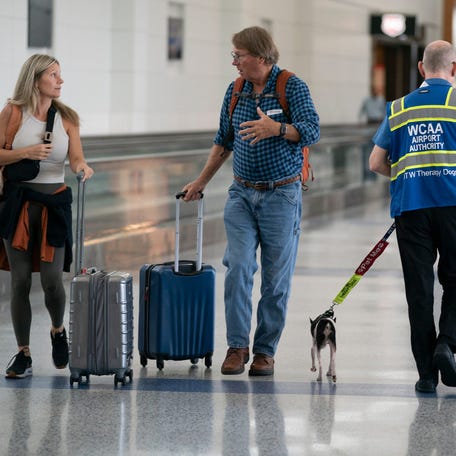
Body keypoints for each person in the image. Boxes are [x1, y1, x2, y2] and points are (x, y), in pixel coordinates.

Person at [182, 26, 320, 376]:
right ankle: (237, 347)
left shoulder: (291, 86)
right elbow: (223, 141)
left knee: (276, 281)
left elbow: (313, 129)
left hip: (281, 195)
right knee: (239, 268)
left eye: (239, 55)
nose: (235, 62)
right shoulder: (236, 91)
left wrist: (277, 129)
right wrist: (200, 181)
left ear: (260, 56)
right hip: (242, 193)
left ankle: (264, 351)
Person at [369, 40, 456, 394]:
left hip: (411, 211)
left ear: (421, 68)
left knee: (419, 291)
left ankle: (425, 375)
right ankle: (446, 344)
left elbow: (375, 162)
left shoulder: (399, 107)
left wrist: (410, 178)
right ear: (453, 68)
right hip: (452, 209)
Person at [0, 54, 94, 378]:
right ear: (35, 78)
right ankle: (23, 353)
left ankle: (57, 330)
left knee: (53, 281)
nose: (60, 80)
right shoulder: (13, 112)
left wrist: (82, 168)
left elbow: (77, 157)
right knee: (20, 281)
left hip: (54, 204)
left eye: (60, 75)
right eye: (53, 75)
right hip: (18, 204)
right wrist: (24, 153)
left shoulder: (67, 117)